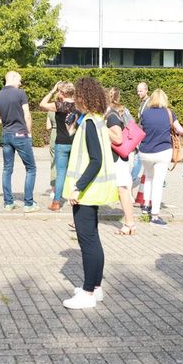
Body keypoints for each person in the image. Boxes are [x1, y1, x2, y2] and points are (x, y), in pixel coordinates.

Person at [60, 77, 118, 310]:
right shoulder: (94, 120)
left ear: (84, 98)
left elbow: (95, 161)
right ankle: (95, 287)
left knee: (88, 242)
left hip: (86, 192)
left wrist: (78, 187)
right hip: (91, 191)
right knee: (92, 240)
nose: (74, 101)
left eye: (78, 97)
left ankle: (87, 292)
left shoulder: (91, 123)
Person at [137, 89, 183, 227]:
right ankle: (155, 215)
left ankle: (145, 206)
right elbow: (180, 130)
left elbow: (139, 130)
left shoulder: (145, 114)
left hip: (145, 152)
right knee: (158, 182)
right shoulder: (169, 113)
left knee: (148, 178)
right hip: (162, 152)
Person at [0, 71, 38, 212]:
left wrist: (7, 120)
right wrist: (29, 133)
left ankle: (8, 202)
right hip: (20, 134)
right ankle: (29, 203)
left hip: (6, 135)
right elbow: (27, 115)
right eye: (19, 80)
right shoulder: (20, 93)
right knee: (31, 168)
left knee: (7, 169)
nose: (20, 83)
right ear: (12, 78)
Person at [105, 87, 138, 235]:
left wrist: (102, 128)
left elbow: (118, 138)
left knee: (122, 189)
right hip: (115, 158)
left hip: (118, 158)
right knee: (121, 189)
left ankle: (130, 223)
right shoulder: (109, 114)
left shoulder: (111, 116)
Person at [38, 81, 76, 211]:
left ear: (63, 93)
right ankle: (76, 198)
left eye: (60, 91)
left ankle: (56, 202)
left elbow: (42, 104)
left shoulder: (59, 106)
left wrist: (52, 90)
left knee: (60, 173)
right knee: (75, 171)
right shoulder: (79, 106)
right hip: (75, 142)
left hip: (61, 142)